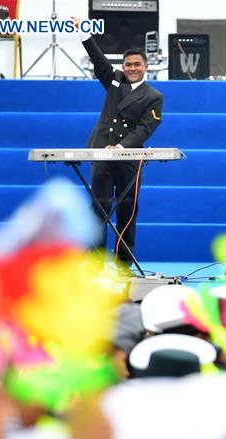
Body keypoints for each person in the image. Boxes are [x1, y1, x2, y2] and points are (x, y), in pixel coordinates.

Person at [80, 28, 164, 268]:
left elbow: (144, 130)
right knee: (99, 207)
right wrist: (84, 34)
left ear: (145, 67)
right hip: (103, 154)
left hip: (129, 156)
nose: (132, 68)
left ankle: (123, 263)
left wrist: (119, 146)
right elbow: (99, 60)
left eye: (137, 64)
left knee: (127, 210)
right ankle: (94, 262)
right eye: (128, 64)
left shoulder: (154, 97)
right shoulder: (114, 80)